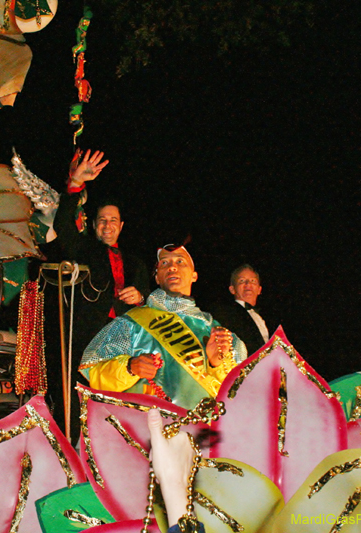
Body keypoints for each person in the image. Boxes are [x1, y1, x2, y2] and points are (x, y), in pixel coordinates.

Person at [50, 149, 149, 441]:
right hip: (85, 335)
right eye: (102, 220)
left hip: (124, 342)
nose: (107, 225)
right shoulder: (84, 250)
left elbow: (147, 300)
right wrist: (75, 185)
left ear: (121, 226)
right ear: (94, 226)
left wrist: (140, 297)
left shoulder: (136, 263)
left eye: (113, 220)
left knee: (118, 405)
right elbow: (63, 226)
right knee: (74, 398)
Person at [79, 245, 246, 409]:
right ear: (157, 277)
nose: (172, 267)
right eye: (164, 263)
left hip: (200, 431)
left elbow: (236, 398)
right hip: (145, 431)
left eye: (180, 262)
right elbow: (94, 375)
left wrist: (216, 364)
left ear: (194, 276)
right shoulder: (130, 323)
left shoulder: (217, 333)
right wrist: (129, 367)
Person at [209, 264, 270, 355]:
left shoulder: (267, 317)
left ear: (259, 289)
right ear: (232, 289)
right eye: (242, 281)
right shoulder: (225, 313)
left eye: (253, 281)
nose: (248, 284)